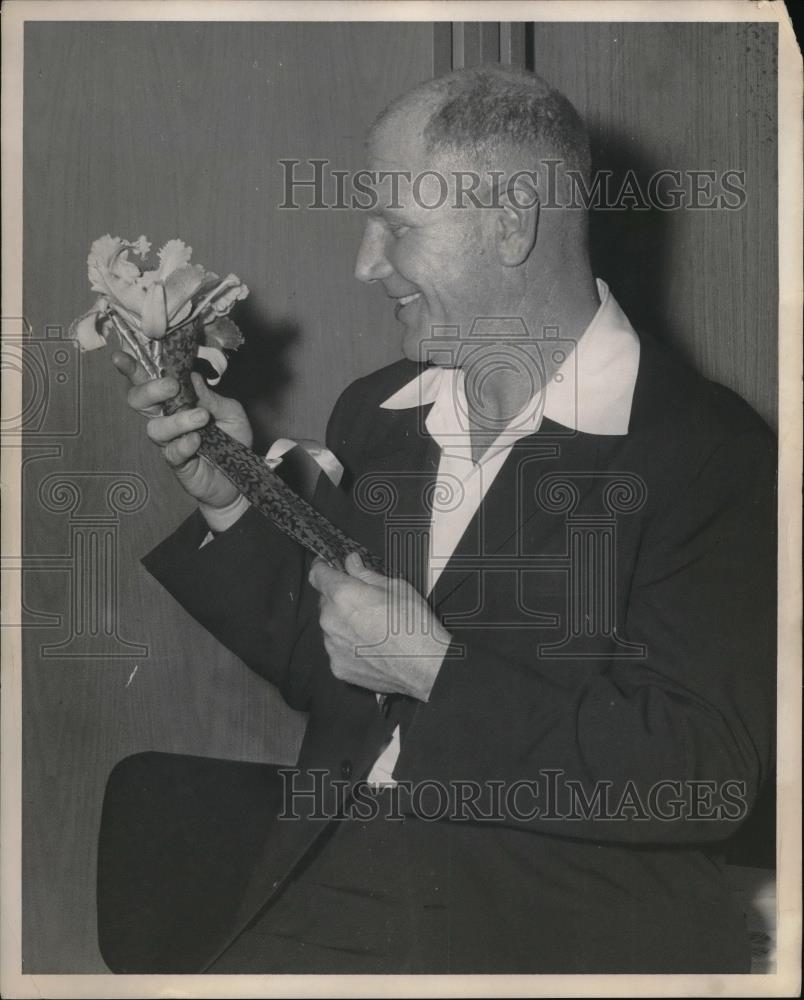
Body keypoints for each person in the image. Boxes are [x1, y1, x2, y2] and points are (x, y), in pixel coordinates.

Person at [98, 65, 776, 974]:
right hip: (324, 890)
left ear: (511, 220)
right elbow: (340, 675)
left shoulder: (710, 454)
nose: (366, 262)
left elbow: (701, 779)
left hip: (549, 934)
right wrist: (236, 494)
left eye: (397, 225)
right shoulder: (380, 413)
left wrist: (431, 666)